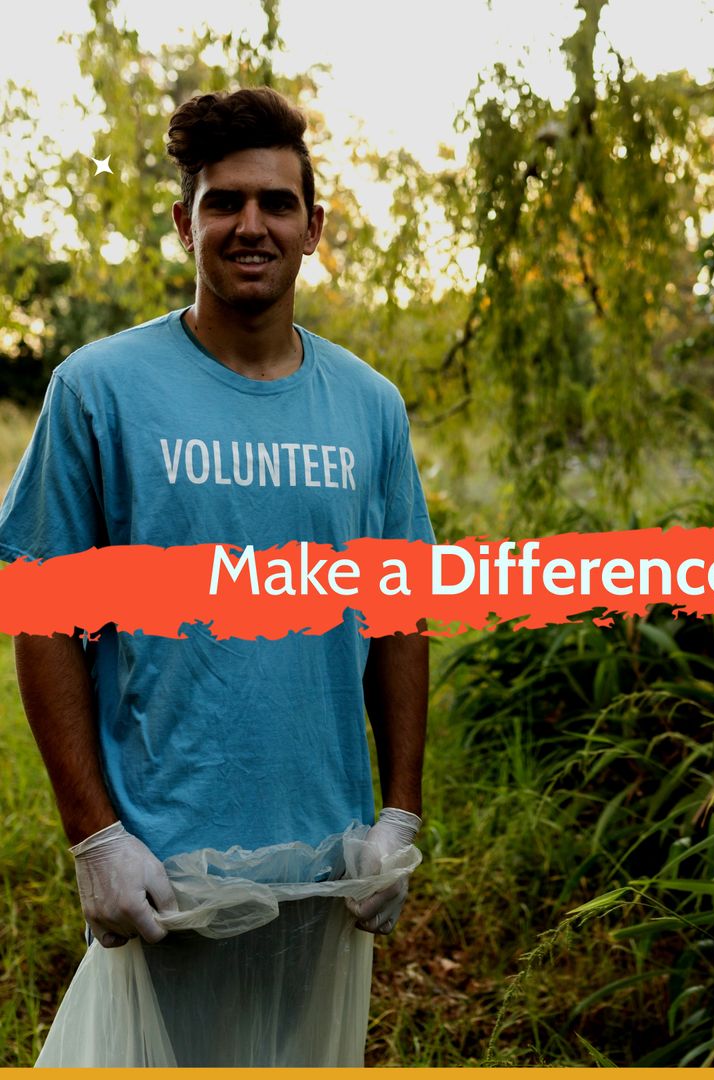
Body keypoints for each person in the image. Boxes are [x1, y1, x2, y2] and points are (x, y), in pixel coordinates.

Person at [0, 87, 433, 1064]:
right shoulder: (100, 391)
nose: (252, 225)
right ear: (183, 222)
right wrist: (96, 840)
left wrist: (398, 812)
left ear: (314, 226)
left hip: (325, 865)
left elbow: (402, 611)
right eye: (224, 201)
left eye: (277, 203)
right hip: (166, 865)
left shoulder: (369, 407)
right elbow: (42, 619)